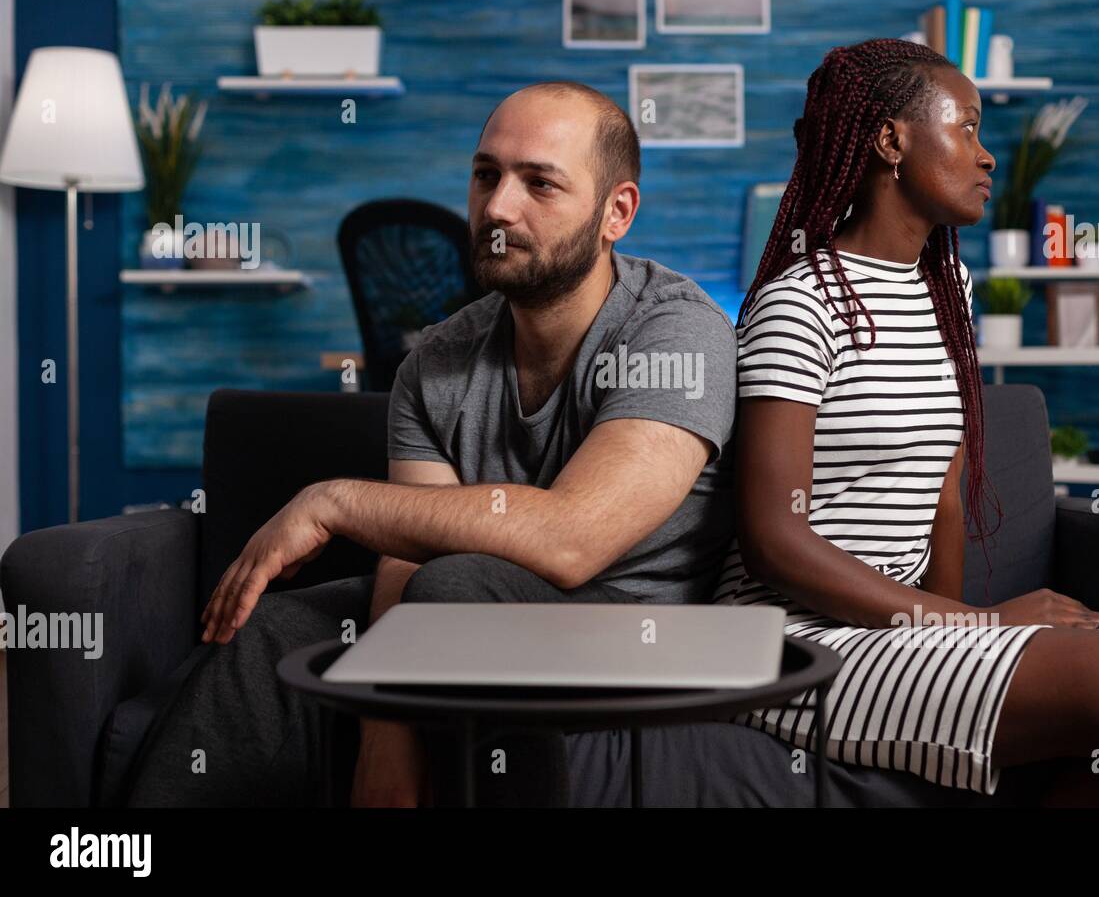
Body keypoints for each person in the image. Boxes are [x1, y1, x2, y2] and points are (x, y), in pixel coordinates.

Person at [126, 81, 737, 807]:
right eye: (487, 176)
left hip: (638, 640)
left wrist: (332, 502)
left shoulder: (677, 333)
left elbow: (573, 540)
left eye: (539, 182)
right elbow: (407, 549)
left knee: (455, 587)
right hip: (468, 608)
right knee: (278, 629)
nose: (499, 208)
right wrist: (387, 728)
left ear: (617, 212)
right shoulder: (437, 360)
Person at [711, 38, 1099, 806]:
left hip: (901, 635)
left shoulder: (948, 290)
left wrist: (959, 631)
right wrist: (971, 628)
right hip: (793, 642)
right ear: (891, 140)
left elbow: (946, 496)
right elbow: (774, 541)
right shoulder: (800, 303)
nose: (988, 156)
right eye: (965, 129)